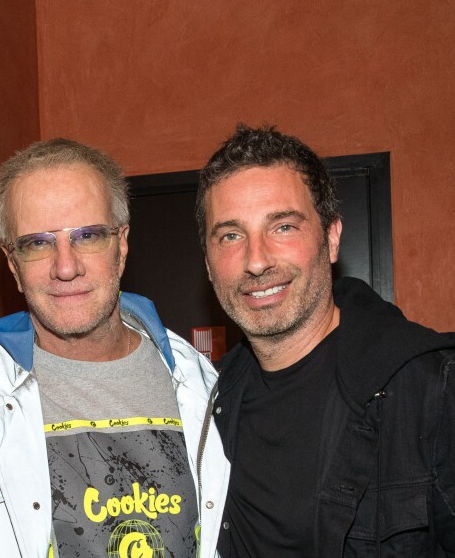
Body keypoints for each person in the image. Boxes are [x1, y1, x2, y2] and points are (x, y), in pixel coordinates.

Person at [0, 139, 228, 558]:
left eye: (87, 236)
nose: (65, 267)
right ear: (13, 265)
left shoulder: (207, 386)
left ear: (121, 245)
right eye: (37, 243)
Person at [195, 124, 455, 556]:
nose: (256, 261)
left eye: (282, 227)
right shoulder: (208, 398)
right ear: (207, 264)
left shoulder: (431, 391)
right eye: (231, 235)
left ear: (331, 238)